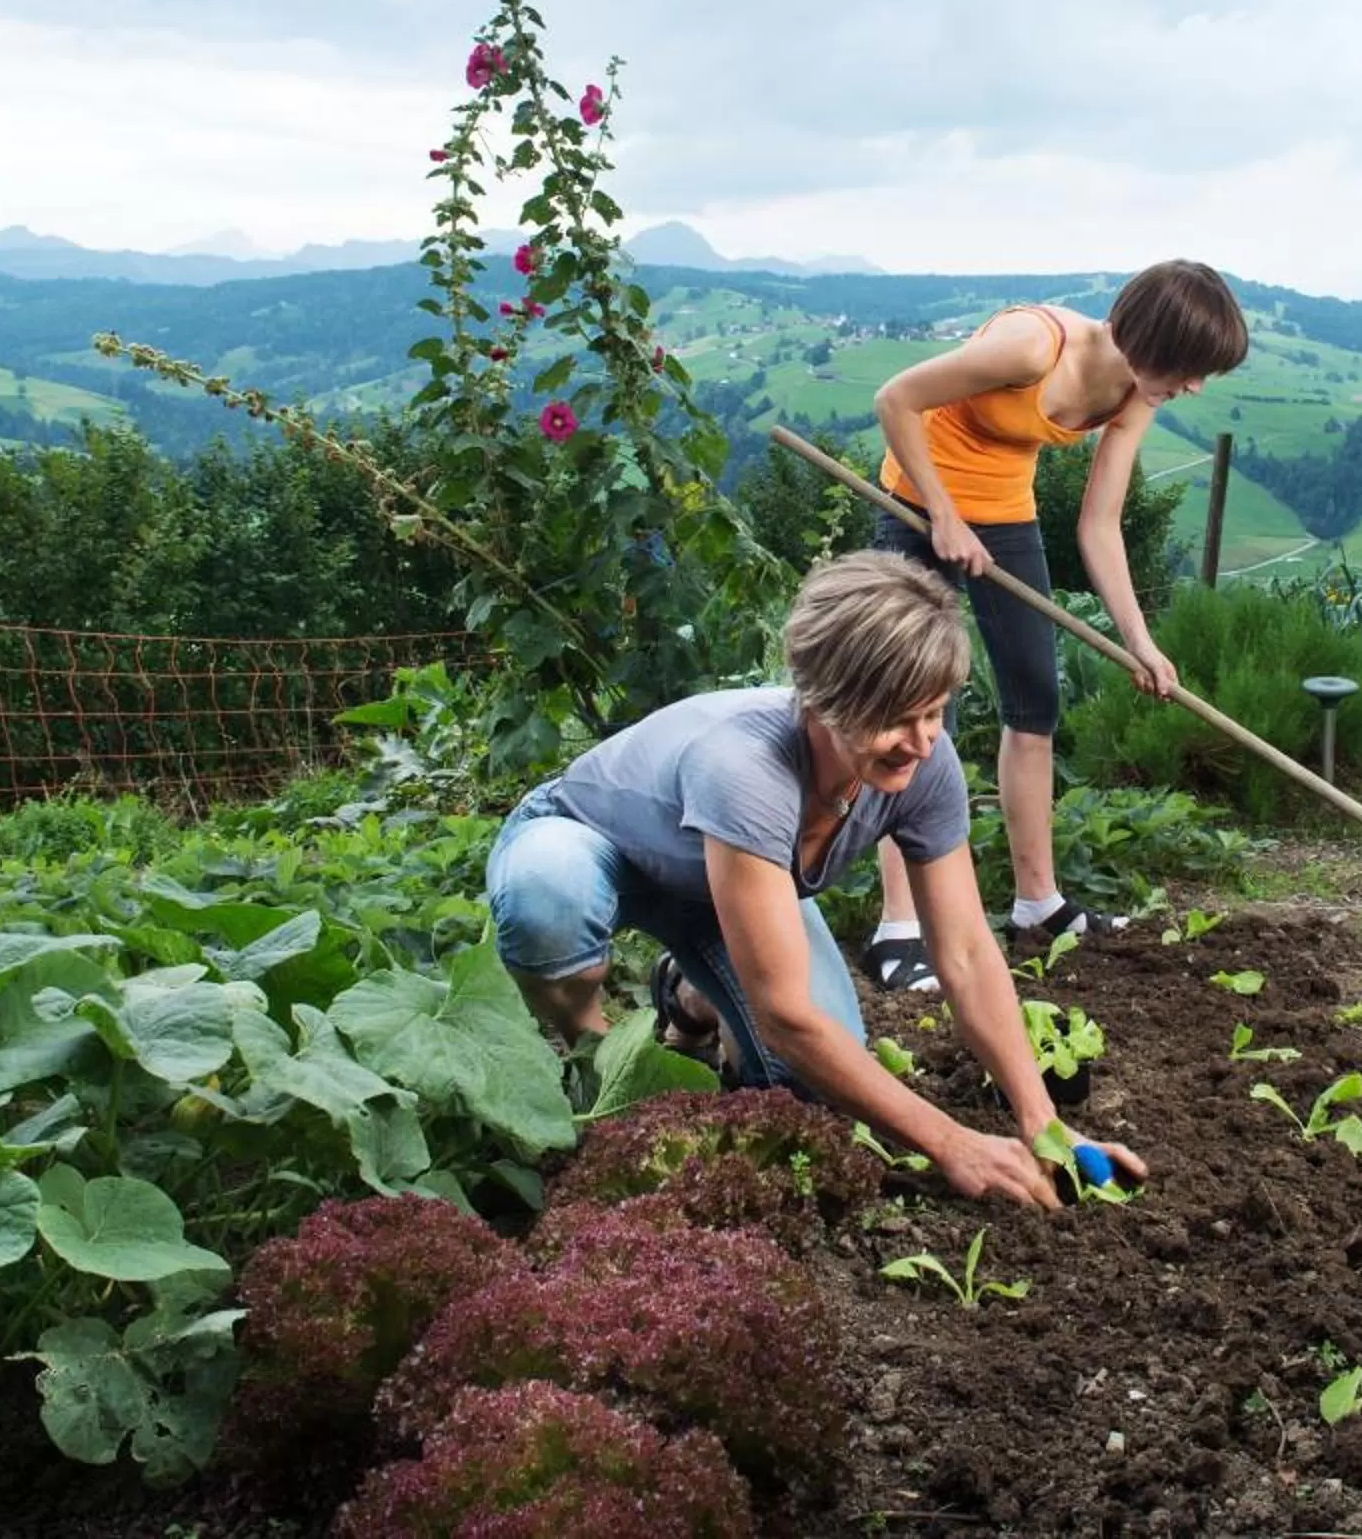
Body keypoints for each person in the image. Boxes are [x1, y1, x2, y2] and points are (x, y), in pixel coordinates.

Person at [486, 550, 1145, 1208]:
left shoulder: (926, 762)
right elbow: (786, 1018)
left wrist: (1044, 1125)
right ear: (825, 703)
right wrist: (950, 1143)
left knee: (811, 1095)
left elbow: (969, 955)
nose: (921, 741)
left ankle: (691, 995)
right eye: (895, 719)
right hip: (591, 842)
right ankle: (600, 1076)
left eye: (934, 712)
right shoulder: (748, 770)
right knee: (547, 898)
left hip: (727, 885)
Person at [859, 260, 1251, 992]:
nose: (1195, 387)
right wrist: (941, 514)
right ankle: (899, 924)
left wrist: (1139, 639)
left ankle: (1037, 904)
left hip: (1006, 515)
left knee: (1034, 706)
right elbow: (896, 400)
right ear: (1149, 337)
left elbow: (1100, 524)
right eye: (1191, 367)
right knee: (908, 713)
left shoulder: (1136, 392)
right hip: (920, 502)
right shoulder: (1029, 348)